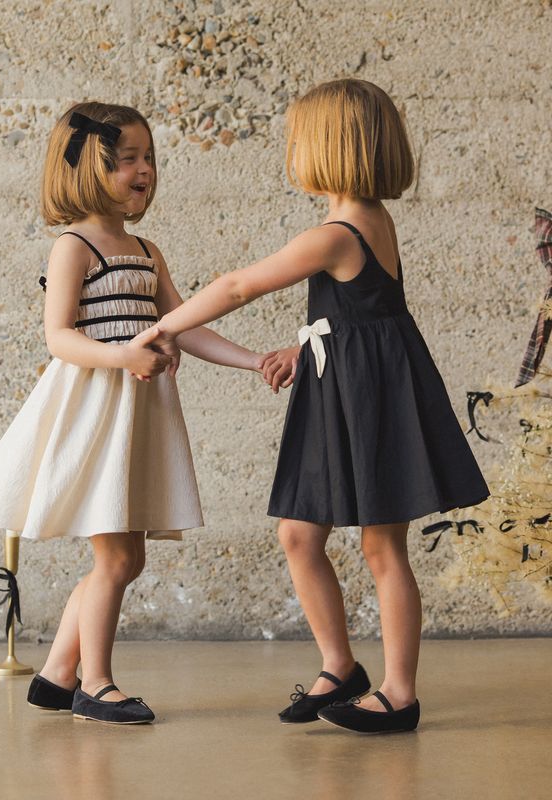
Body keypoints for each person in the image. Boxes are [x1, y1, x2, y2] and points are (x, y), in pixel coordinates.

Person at [134, 79, 490, 734]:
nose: (291, 150)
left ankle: (400, 693)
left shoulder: (337, 233)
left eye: (297, 139)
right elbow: (366, 313)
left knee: (382, 547)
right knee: (299, 535)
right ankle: (340, 667)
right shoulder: (365, 224)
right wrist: (307, 344)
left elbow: (237, 286)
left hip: (370, 402)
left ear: (329, 149)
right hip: (342, 387)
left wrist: (162, 327)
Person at [0, 102, 266, 725]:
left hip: (138, 414)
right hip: (97, 415)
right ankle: (93, 684)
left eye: (148, 157)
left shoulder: (147, 250)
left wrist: (254, 361)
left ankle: (56, 675)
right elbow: (59, 337)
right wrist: (124, 355)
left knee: (127, 558)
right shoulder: (72, 248)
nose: (143, 169)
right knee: (118, 559)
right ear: (85, 167)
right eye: (128, 158)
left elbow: (183, 326)